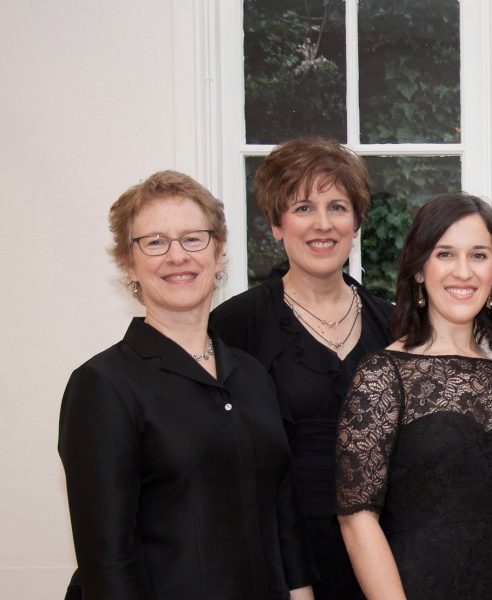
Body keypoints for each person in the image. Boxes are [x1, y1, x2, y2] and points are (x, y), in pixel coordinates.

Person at [59, 170, 316, 599]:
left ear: (217, 253)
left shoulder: (252, 374)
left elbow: (282, 509)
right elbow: (107, 560)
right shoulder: (102, 385)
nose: (177, 256)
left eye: (193, 238)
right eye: (155, 242)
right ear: (129, 262)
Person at [335, 194, 492, 600]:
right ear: (419, 270)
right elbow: (356, 518)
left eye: (479, 255)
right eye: (445, 253)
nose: (463, 271)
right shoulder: (383, 374)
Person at [211, 137, 394, 599]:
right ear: (276, 224)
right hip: (283, 560)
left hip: (385, 553)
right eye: (303, 208)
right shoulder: (235, 325)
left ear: (356, 224)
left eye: (338, 207)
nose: (323, 224)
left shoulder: (393, 323)